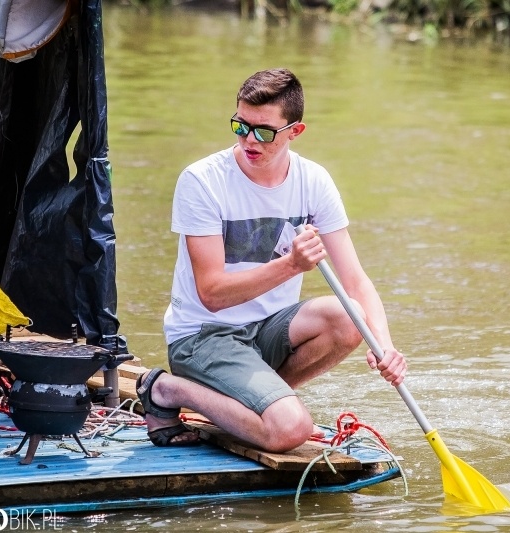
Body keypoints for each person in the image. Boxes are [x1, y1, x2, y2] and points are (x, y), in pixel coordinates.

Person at [137, 67, 406, 452]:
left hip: (264, 331)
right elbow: (212, 294)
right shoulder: (202, 180)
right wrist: (292, 265)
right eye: (240, 126)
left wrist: (385, 347)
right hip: (204, 336)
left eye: (263, 131)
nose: (250, 140)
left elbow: (357, 283)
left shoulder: (314, 181)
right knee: (291, 432)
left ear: (294, 132)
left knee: (351, 317)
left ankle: (262, 403)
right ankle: (166, 388)